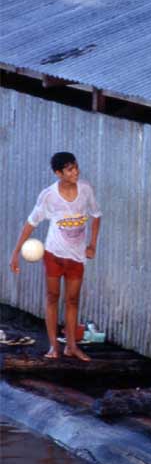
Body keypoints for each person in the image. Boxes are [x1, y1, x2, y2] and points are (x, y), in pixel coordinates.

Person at [10, 152, 101, 362]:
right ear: (58, 173)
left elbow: (96, 216)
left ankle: (71, 346)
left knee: (73, 300)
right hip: (54, 254)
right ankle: (53, 346)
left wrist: (93, 245)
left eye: (76, 167)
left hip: (77, 256)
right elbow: (31, 223)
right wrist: (15, 253)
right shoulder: (48, 195)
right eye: (70, 169)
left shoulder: (85, 189)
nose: (75, 172)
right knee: (52, 298)